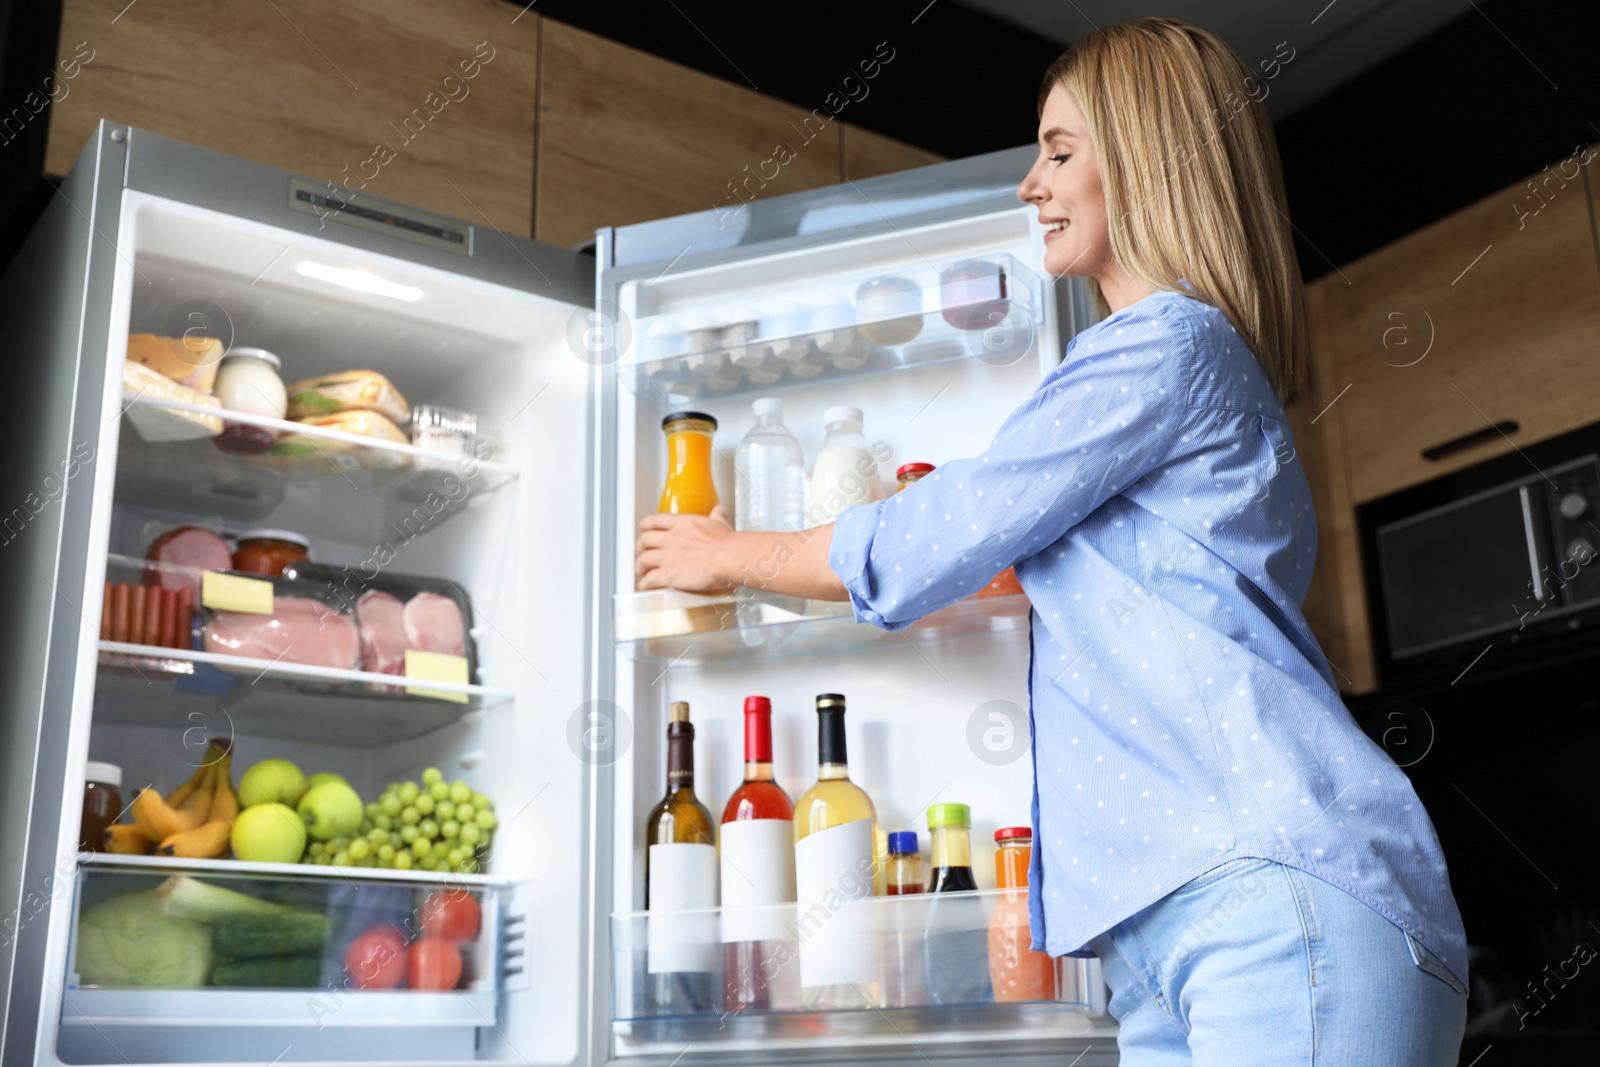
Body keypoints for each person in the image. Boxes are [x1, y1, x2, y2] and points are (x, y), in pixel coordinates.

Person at [635, 17, 1467, 1066]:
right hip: (1164, 934)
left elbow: (932, 533)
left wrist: (728, 554)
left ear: (1150, 160)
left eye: (1060, 151)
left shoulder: (1169, 344)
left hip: (1270, 893)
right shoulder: (1168, 365)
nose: (1030, 182)